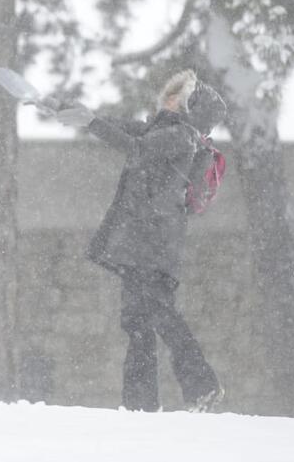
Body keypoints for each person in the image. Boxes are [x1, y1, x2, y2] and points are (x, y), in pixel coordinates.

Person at [56, 70, 228, 413]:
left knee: (156, 314)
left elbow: (135, 147)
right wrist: (71, 112)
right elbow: (120, 127)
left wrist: (89, 122)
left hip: (151, 246)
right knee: (138, 320)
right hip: (146, 245)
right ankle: (142, 403)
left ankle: (201, 386)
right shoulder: (163, 130)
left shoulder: (179, 136)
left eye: (176, 96)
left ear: (189, 108)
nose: (166, 98)